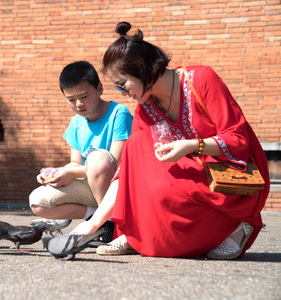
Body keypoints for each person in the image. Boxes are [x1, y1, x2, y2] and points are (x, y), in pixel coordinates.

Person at [71, 22, 270, 260]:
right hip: (189, 176)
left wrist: (193, 145)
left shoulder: (202, 80)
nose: (123, 92)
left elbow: (237, 139)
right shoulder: (147, 107)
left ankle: (238, 226)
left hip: (226, 175)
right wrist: (93, 225)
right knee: (136, 148)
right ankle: (137, 234)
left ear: (142, 69)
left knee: (164, 190)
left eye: (122, 84)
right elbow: (126, 172)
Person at [29, 61, 133, 242]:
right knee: (38, 201)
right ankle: (97, 219)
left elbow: (115, 163)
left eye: (84, 96)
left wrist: (71, 172)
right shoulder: (76, 123)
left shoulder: (118, 113)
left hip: (117, 187)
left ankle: (114, 225)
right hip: (91, 186)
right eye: (71, 99)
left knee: (98, 159)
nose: (78, 104)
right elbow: (75, 164)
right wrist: (55, 174)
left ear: (99, 89)